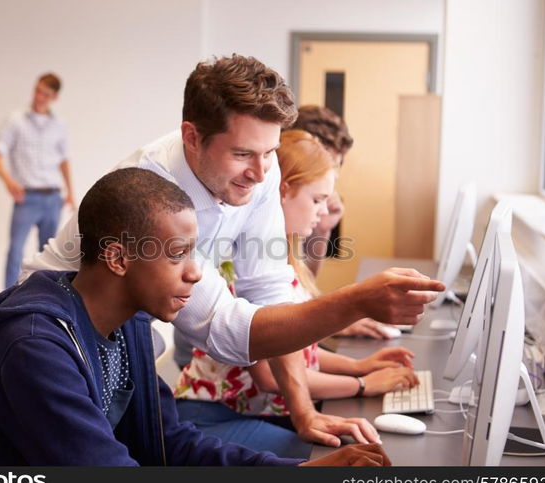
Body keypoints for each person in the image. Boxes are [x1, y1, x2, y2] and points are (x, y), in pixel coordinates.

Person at [21, 54, 445, 446]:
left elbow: (270, 291)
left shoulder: (260, 165)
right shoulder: (152, 190)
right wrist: (357, 302)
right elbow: (228, 332)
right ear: (191, 136)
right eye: (242, 153)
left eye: (269, 152)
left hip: (130, 335)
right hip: (63, 331)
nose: (261, 173)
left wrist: (303, 413)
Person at [0, 168, 391, 466]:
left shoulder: (126, 325)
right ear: (117, 259)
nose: (194, 272)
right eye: (177, 254)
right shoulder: (33, 349)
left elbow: (168, 442)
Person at [174, 130, 418, 458]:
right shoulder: (240, 268)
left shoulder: (283, 261)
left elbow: (299, 354)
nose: (321, 214)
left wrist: (359, 367)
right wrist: (362, 385)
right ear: (283, 191)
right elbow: (269, 377)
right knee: (337, 455)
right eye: (316, 200)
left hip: (250, 410)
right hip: (210, 419)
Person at [290, 105, 392, 339]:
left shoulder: (308, 207)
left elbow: (303, 287)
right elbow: (272, 318)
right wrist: (333, 323)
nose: (332, 176)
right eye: (326, 164)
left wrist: (323, 229)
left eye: (337, 166)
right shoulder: (280, 207)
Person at [0, 73, 76, 288]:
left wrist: (70, 192)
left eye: (45, 94)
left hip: (52, 197)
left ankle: (42, 300)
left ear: (54, 97)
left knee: (49, 256)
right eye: (37, 90)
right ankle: (8, 300)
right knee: (16, 250)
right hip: (26, 197)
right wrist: (9, 182)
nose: (39, 97)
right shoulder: (16, 120)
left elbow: (63, 160)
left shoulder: (59, 125)